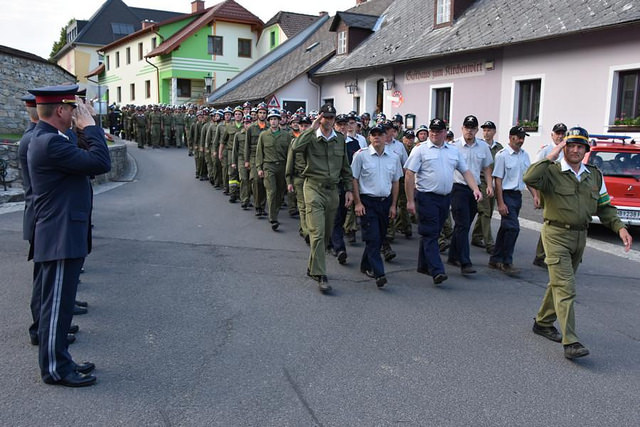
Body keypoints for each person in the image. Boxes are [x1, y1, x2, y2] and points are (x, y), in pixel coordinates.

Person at [523, 126, 632, 360]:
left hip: (580, 237)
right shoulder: (551, 171)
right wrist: (552, 154)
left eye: (579, 146)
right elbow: (529, 177)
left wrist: (620, 227)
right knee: (566, 287)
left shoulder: (594, 175)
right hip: (555, 234)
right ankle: (571, 341)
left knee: (558, 284)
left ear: (585, 150)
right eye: (570, 145)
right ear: (564, 147)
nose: (574, 150)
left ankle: (543, 322)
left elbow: (604, 206)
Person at [27, 84, 111, 386]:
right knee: (56, 308)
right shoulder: (50, 142)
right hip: (60, 234)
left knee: (60, 306)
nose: (77, 113)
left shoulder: (52, 139)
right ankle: (55, 369)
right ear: (61, 110)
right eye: (73, 108)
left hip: (62, 231)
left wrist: (84, 129)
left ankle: (61, 361)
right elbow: (101, 162)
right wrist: (90, 127)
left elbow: (86, 163)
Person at [405, 118, 482, 285]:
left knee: (432, 231)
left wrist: (475, 189)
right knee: (431, 233)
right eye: (432, 130)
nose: (434, 134)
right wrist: (410, 200)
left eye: (438, 131)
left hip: (445, 197)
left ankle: (423, 265)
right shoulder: (420, 150)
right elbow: (409, 174)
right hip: (426, 197)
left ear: (445, 132)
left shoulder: (453, 151)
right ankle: (437, 270)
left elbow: (465, 171)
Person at [291, 104, 354, 293]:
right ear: (320, 118)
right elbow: (295, 147)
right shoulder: (311, 137)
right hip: (313, 188)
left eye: (331, 117)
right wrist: (312, 127)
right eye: (325, 117)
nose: (328, 121)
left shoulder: (339, 140)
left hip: (332, 191)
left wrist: (349, 189)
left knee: (326, 235)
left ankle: (313, 267)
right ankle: (320, 274)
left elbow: (345, 167)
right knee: (317, 233)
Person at [351, 125, 403, 288]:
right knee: (372, 238)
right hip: (368, 202)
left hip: (385, 202)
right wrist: (358, 203)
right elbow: (354, 179)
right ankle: (379, 272)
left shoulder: (393, 157)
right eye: (373, 134)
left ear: (386, 137)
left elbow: (395, 182)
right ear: (369, 137)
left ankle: (365, 264)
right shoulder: (361, 155)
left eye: (380, 134)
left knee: (379, 237)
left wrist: (393, 205)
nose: (376, 137)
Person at [448, 115, 493, 275]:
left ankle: (453, 255)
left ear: (476, 130)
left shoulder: (483, 147)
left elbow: (487, 167)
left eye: (473, 128)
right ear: (462, 128)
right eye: (467, 127)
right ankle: (465, 261)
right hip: (458, 187)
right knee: (463, 224)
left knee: (465, 223)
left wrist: (489, 185)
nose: (469, 131)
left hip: (475, 189)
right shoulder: (453, 146)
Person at [488, 126, 535, 276]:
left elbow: (528, 178)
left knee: (506, 228)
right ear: (510, 137)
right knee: (513, 228)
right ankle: (506, 261)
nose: (521, 140)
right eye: (518, 137)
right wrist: (500, 203)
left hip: (517, 196)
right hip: (506, 195)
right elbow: (498, 180)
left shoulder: (524, 155)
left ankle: (495, 259)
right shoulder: (502, 155)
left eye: (523, 138)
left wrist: (535, 195)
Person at [532, 122, 567, 268]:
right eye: (558, 133)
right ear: (552, 135)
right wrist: (536, 195)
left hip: (563, 192)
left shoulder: (567, 151)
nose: (560, 136)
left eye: (563, 133)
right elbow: (534, 172)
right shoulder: (545, 150)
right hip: (548, 191)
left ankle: (552, 254)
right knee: (550, 223)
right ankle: (541, 255)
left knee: (559, 224)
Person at [256, 110, 292, 230]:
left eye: (275, 119)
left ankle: (274, 212)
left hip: (282, 167)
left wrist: (289, 170)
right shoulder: (264, 135)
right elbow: (259, 153)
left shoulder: (286, 135)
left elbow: (290, 154)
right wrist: (259, 168)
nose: (273, 121)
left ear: (279, 120)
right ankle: (273, 218)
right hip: (269, 166)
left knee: (280, 193)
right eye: (271, 119)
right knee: (271, 191)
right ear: (269, 121)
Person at [471, 120, 503, 253]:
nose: (486, 133)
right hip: (481, 180)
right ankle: (490, 243)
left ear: (494, 132)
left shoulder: (499, 148)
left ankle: (476, 236)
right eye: (484, 130)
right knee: (485, 211)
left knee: (488, 210)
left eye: (489, 130)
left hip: (494, 181)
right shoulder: (479, 145)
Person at [286, 116, 312, 243]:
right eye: (302, 126)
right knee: (302, 206)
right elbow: (290, 162)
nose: (304, 128)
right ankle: (306, 231)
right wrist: (289, 180)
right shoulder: (294, 142)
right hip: (299, 177)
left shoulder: (315, 141)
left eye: (306, 126)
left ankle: (306, 228)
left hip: (312, 179)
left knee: (310, 206)